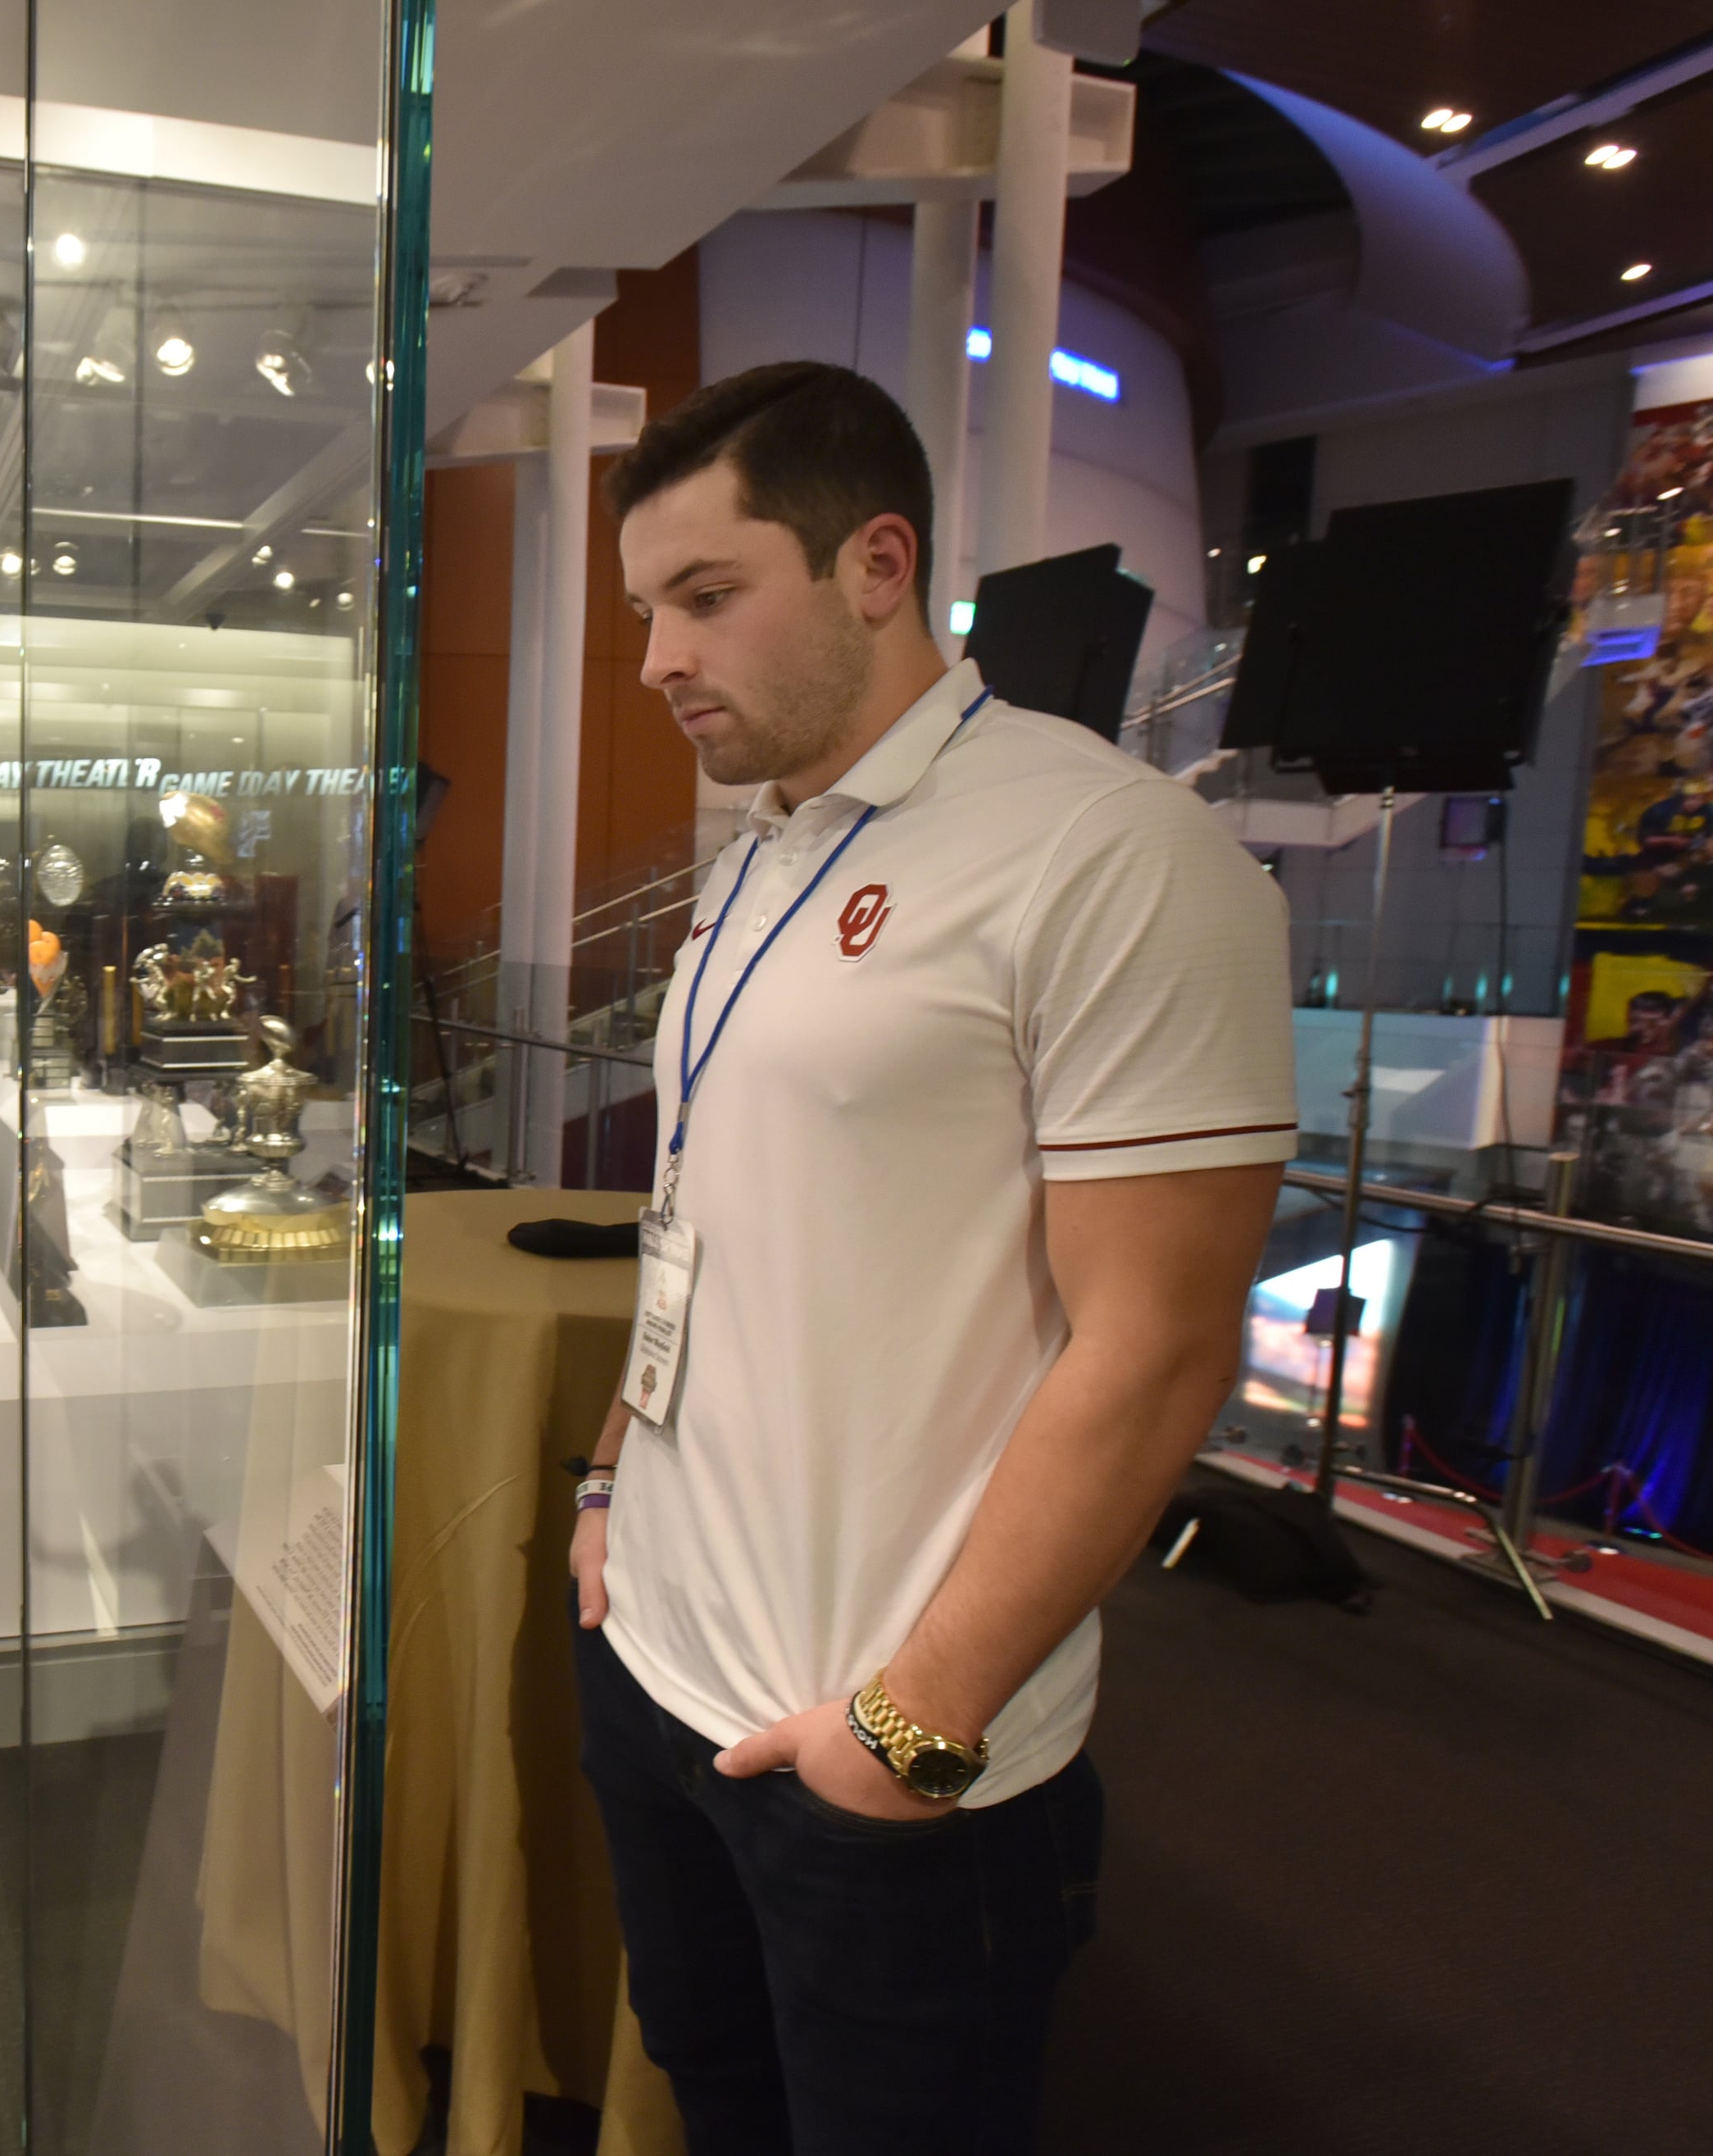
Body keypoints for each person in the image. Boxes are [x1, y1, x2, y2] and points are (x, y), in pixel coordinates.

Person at [566, 362, 1295, 2155]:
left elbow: (1159, 1346)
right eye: (646, 608)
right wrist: (601, 1501)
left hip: (879, 1748)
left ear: (877, 563)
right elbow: (697, 1221)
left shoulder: (1109, 853)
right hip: (659, 1654)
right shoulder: (756, 863)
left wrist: (911, 1729)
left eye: (708, 596)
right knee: (717, 2098)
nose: (660, 656)